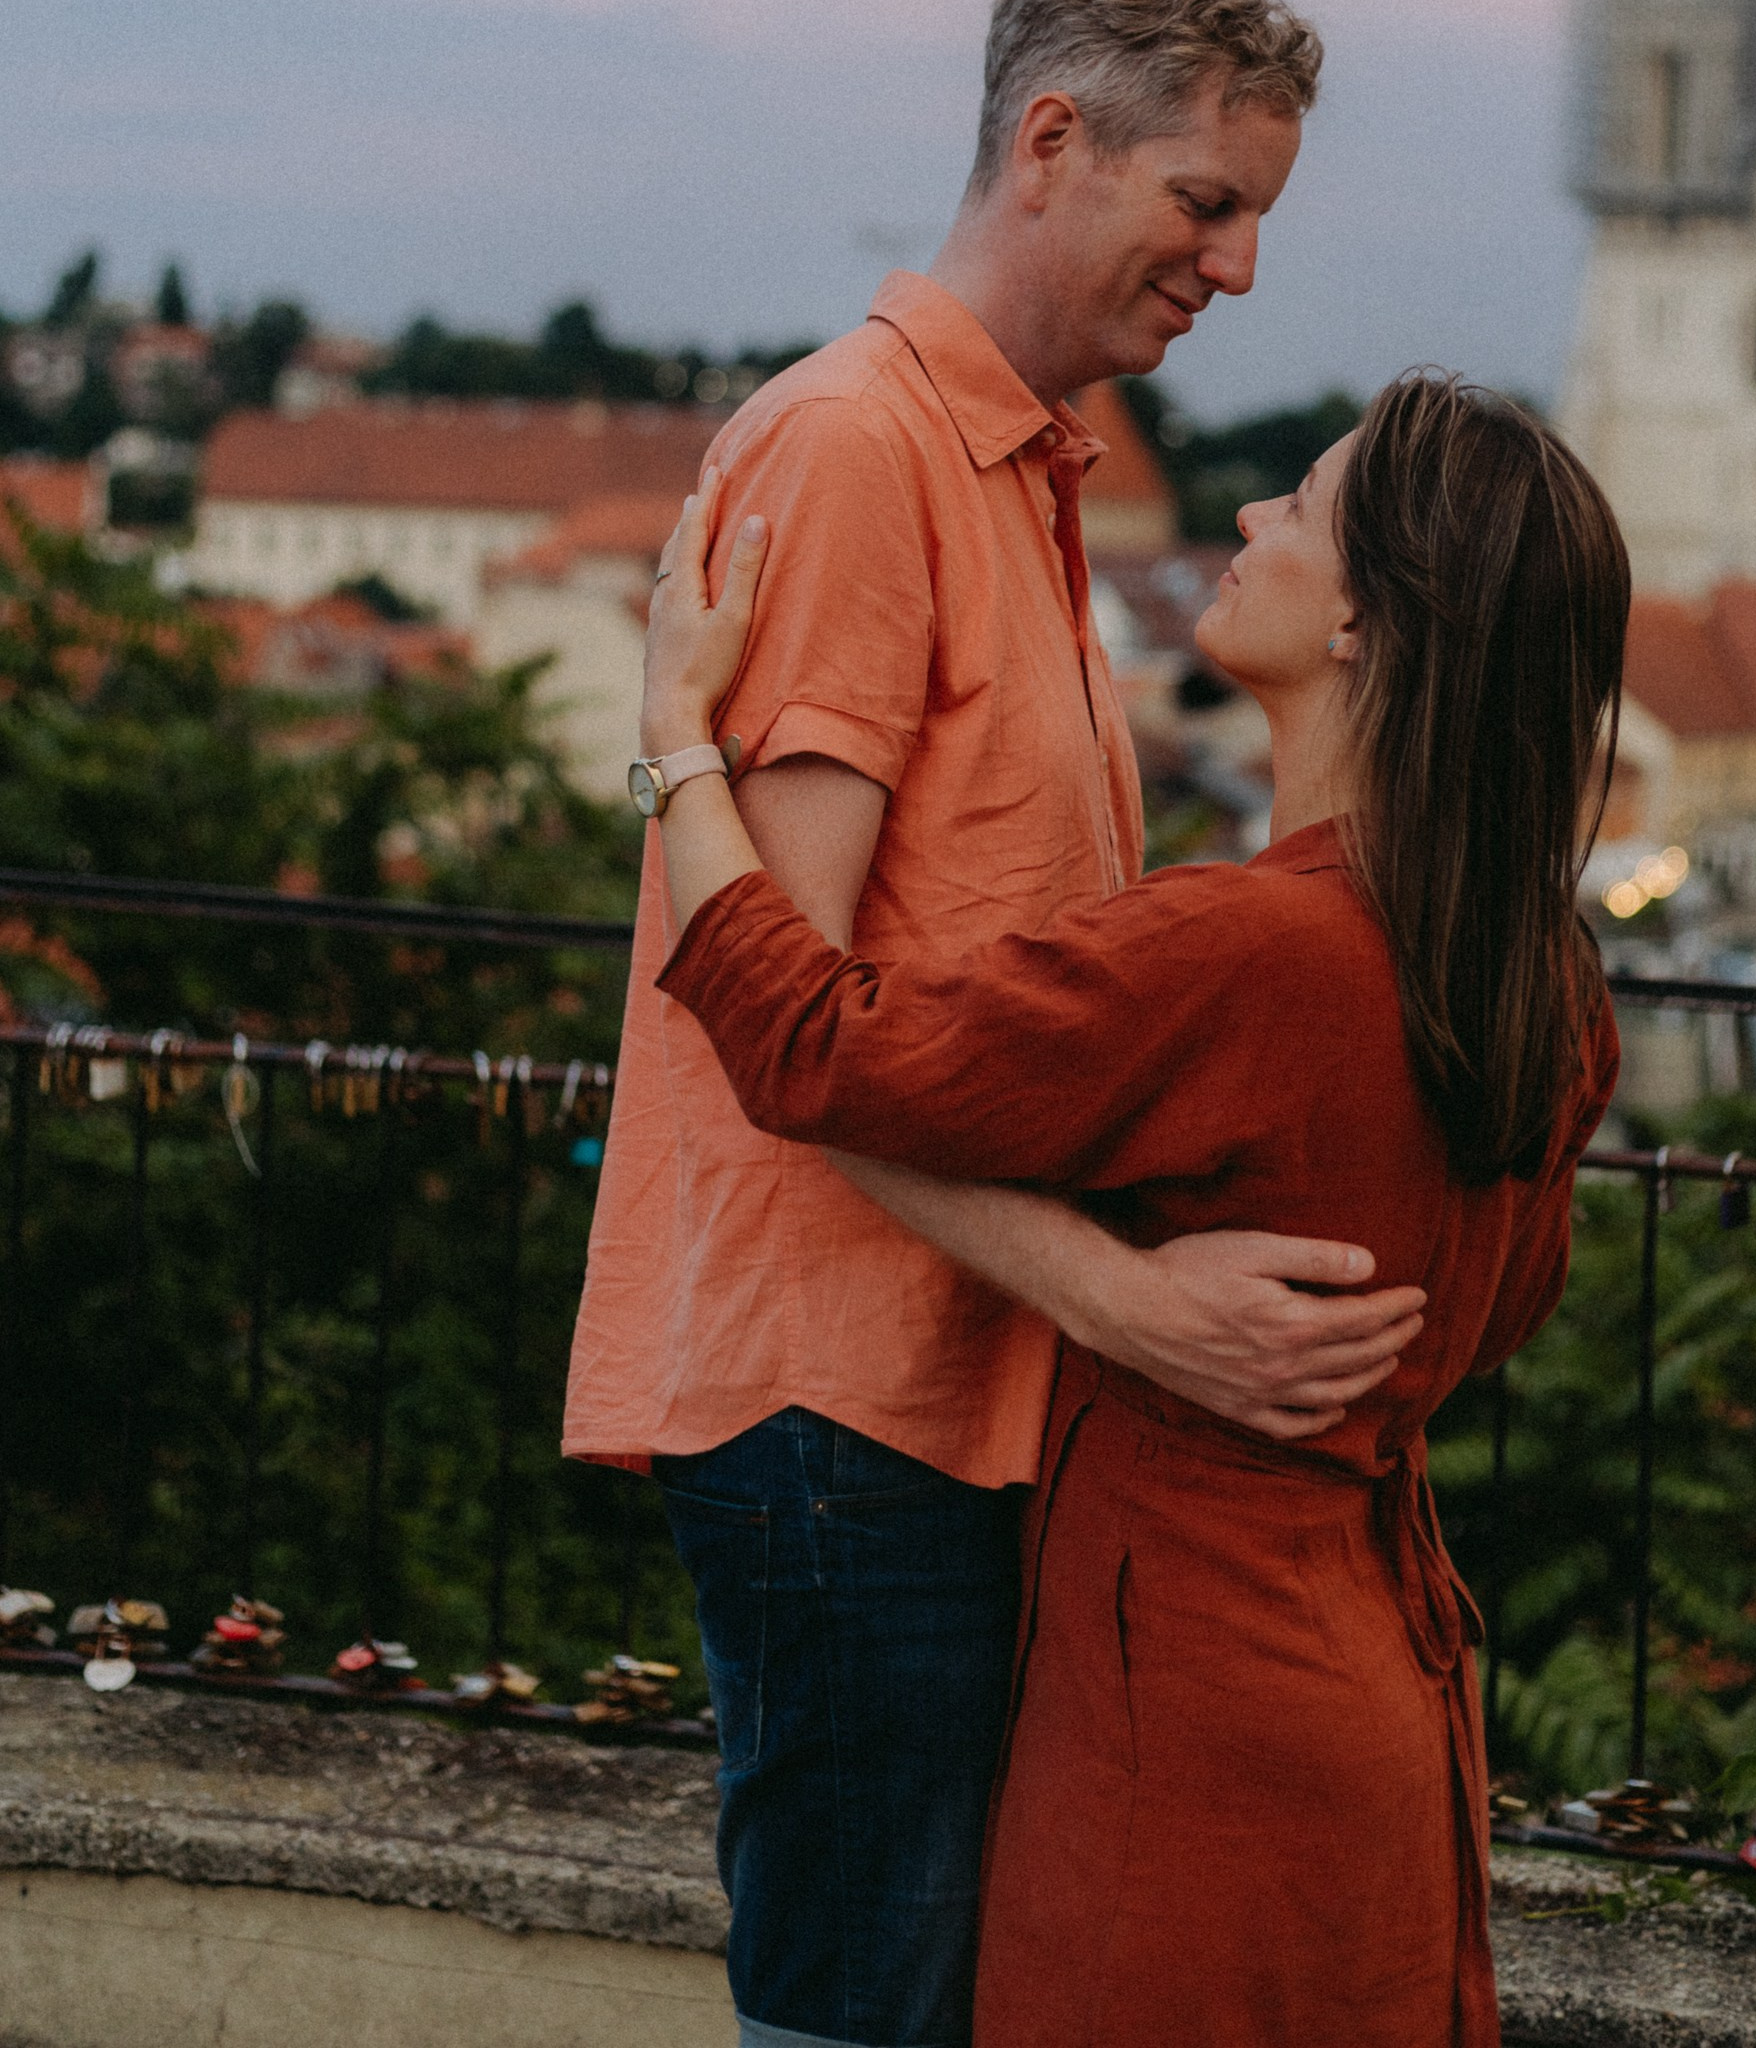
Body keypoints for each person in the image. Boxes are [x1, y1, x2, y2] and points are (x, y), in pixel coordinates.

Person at [563, 0, 1426, 2048]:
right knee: (870, 2012)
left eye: (1253, 217)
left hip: (939, 1394)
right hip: (841, 1402)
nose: (1236, 269)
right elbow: (772, 1012)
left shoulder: (1012, 469)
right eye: (1203, 202)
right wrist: (1133, 1305)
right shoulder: (858, 450)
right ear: (1053, 142)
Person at [636, 369, 1628, 2048]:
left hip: (1183, 1716)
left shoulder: (1245, 949)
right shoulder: (1543, 978)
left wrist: (676, 738)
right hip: (1385, 1695)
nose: (1248, 513)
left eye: (1298, 504)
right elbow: (1503, 1303)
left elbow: (811, 1043)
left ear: (1361, 626)